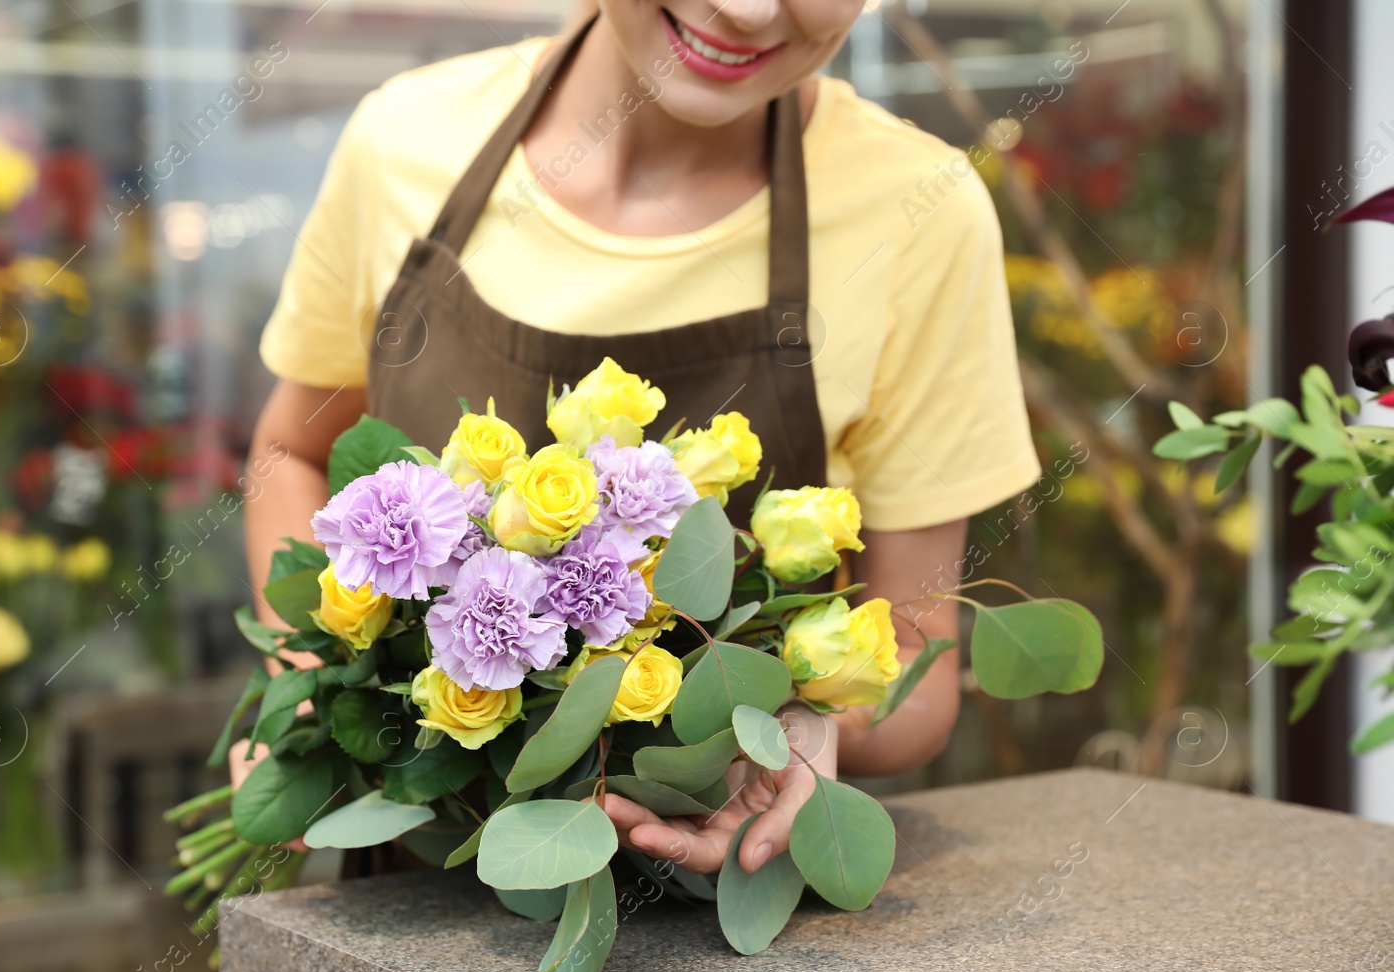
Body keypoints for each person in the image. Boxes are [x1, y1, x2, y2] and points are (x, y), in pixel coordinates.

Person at [237, 0, 1040, 877]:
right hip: (406, 903)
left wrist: (803, 729)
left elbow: (916, 646)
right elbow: (296, 450)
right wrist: (312, 691)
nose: (747, 11)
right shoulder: (405, 139)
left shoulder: (920, 210)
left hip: (730, 927)